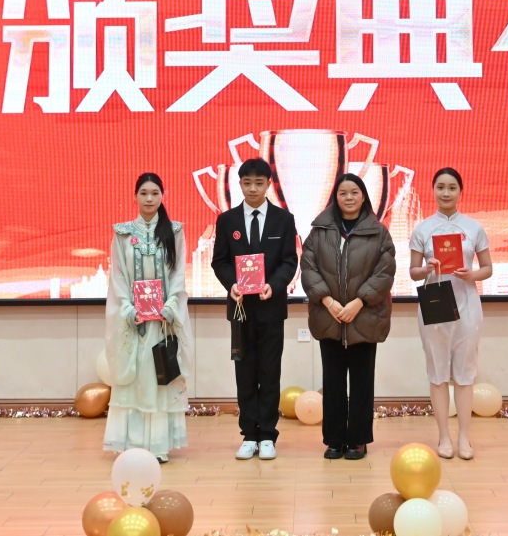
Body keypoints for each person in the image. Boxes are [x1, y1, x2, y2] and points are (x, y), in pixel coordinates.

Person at [299, 174, 396, 460]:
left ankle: (358, 440)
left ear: (364, 196)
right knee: (333, 382)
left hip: (365, 316)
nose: (349, 197)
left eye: (355, 192)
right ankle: (334, 439)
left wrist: (358, 302)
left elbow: (385, 272)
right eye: (343, 193)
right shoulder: (319, 231)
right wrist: (328, 301)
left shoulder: (379, 232)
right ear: (336, 197)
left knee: (362, 382)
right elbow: (308, 267)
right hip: (328, 317)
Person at [211, 157, 299, 461]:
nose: (252, 188)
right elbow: (219, 261)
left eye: (258, 183)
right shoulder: (227, 220)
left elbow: (289, 260)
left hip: (271, 308)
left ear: (268, 184)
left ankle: (268, 435)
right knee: (245, 372)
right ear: (239, 184)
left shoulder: (283, 219)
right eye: (247, 183)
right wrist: (231, 284)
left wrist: (274, 285)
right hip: (241, 310)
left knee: (270, 372)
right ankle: (249, 434)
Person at [104, 173, 193, 464]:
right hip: (134, 321)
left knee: (160, 378)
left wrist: (171, 305)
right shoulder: (122, 234)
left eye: (155, 193)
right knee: (134, 378)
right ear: (135, 197)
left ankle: (158, 444)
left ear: (162, 196)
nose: (149, 199)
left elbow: (178, 273)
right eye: (144, 193)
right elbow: (118, 275)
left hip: (163, 321)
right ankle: (131, 444)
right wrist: (127, 309)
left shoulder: (174, 231)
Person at [408, 167, 492, 460]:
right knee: (438, 373)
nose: (446, 193)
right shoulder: (422, 229)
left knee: (465, 374)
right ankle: (444, 437)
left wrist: (472, 275)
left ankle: (464, 438)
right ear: (433, 190)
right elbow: (413, 272)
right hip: (435, 304)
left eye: (452, 187)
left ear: (460, 191)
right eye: (441, 187)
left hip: (467, 304)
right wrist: (427, 269)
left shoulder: (473, 228)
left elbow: (487, 268)